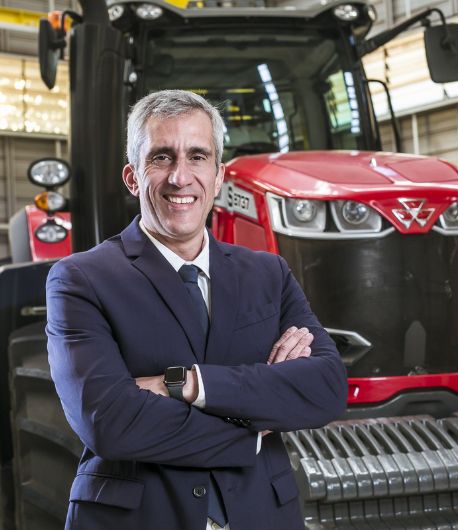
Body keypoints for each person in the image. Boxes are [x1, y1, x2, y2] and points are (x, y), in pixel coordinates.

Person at [46, 89, 347, 530]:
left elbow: (325, 389)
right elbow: (108, 421)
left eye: (198, 156)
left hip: (262, 514)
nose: (180, 177)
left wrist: (187, 384)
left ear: (219, 174)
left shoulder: (269, 274)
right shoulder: (80, 279)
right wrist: (252, 429)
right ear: (132, 177)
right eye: (162, 157)